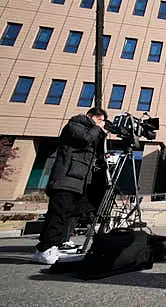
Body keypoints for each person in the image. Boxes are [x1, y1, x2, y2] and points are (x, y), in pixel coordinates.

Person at [32, 107, 107, 265]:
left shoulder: (90, 129)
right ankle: (46, 248)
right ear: (90, 116)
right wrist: (96, 128)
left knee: (65, 214)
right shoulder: (75, 124)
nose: (101, 124)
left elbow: (94, 150)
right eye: (99, 120)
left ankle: (49, 247)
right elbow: (85, 139)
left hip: (76, 180)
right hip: (65, 178)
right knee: (58, 214)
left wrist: (102, 136)